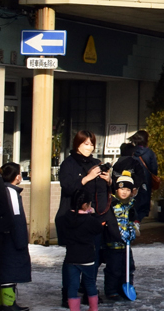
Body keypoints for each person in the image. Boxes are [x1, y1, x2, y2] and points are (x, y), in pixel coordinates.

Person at [56, 131, 110, 306]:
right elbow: (68, 187)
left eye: (92, 144)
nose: (90, 147)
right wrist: (87, 178)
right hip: (71, 217)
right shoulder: (68, 164)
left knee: (92, 255)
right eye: (86, 143)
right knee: (72, 258)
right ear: (77, 144)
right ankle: (68, 294)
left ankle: (89, 291)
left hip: (92, 217)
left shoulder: (96, 163)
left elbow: (104, 190)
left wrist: (109, 181)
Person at [63, 189, 103, 311]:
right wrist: (92, 214)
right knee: (90, 284)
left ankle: (74, 309)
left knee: (73, 285)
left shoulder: (66, 218)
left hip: (71, 258)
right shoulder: (90, 221)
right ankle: (93, 308)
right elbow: (98, 229)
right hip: (87, 258)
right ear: (86, 205)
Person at [0, 162, 31, 311]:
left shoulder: (3, 189)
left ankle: (2, 303)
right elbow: (16, 219)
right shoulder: (11, 192)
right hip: (11, 240)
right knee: (9, 273)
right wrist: (22, 241)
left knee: (2, 272)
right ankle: (9, 304)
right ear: (17, 176)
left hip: (4, 238)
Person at [102, 172, 138, 302]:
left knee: (128, 266)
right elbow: (111, 223)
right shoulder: (112, 204)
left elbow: (131, 221)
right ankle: (111, 290)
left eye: (128, 190)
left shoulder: (130, 205)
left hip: (126, 244)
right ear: (116, 189)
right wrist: (119, 233)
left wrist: (132, 230)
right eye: (122, 189)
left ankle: (125, 286)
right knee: (114, 268)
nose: (124, 192)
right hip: (113, 244)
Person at [129, 130, 158, 223]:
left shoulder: (131, 152)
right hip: (146, 180)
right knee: (144, 201)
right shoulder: (149, 152)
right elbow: (154, 168)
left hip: (132, 180)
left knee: (133, 200)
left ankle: (132, 219)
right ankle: (137, 220)